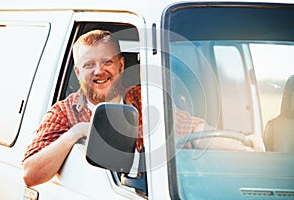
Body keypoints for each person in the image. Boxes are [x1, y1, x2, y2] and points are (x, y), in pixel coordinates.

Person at [22, 29, 265, 187]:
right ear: (77, 72)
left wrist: (245, 148)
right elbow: (30, 174)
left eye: (107, 62)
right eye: (89, 64)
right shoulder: (64, 112)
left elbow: (194, 130)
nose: (99, 71)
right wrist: (78, 132)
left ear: (121, 64)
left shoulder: (144, 98)